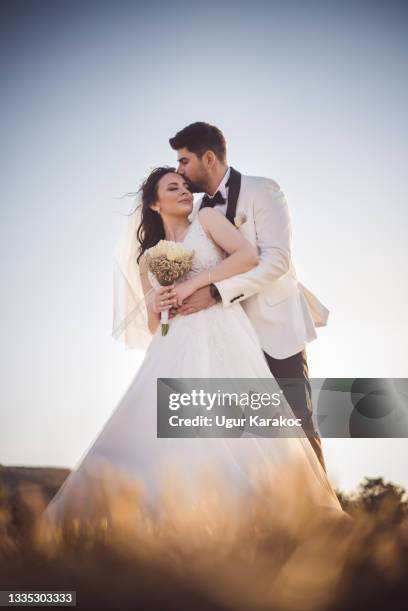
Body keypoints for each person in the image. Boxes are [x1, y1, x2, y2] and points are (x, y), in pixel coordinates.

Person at [43, 166, 344, 525]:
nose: (185, 190)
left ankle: (277, 514)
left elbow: (247, 256)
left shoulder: (207, 220)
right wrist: (157, 304)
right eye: (174, 187)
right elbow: (156, 328)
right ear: (154, 204)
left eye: (186, 185)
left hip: (224, 329)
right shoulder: (147, 259)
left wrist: (195, 286)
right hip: (175, 345)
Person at [169, 122, 328, 471]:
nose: (179, 170)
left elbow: (277, 261)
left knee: (297, 425)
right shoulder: (195, 213)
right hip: (225, 336)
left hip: (275, 328)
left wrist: (215, 293)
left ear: (207, 158)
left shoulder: (263, 191)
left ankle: (327, 519)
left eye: (183, 161)